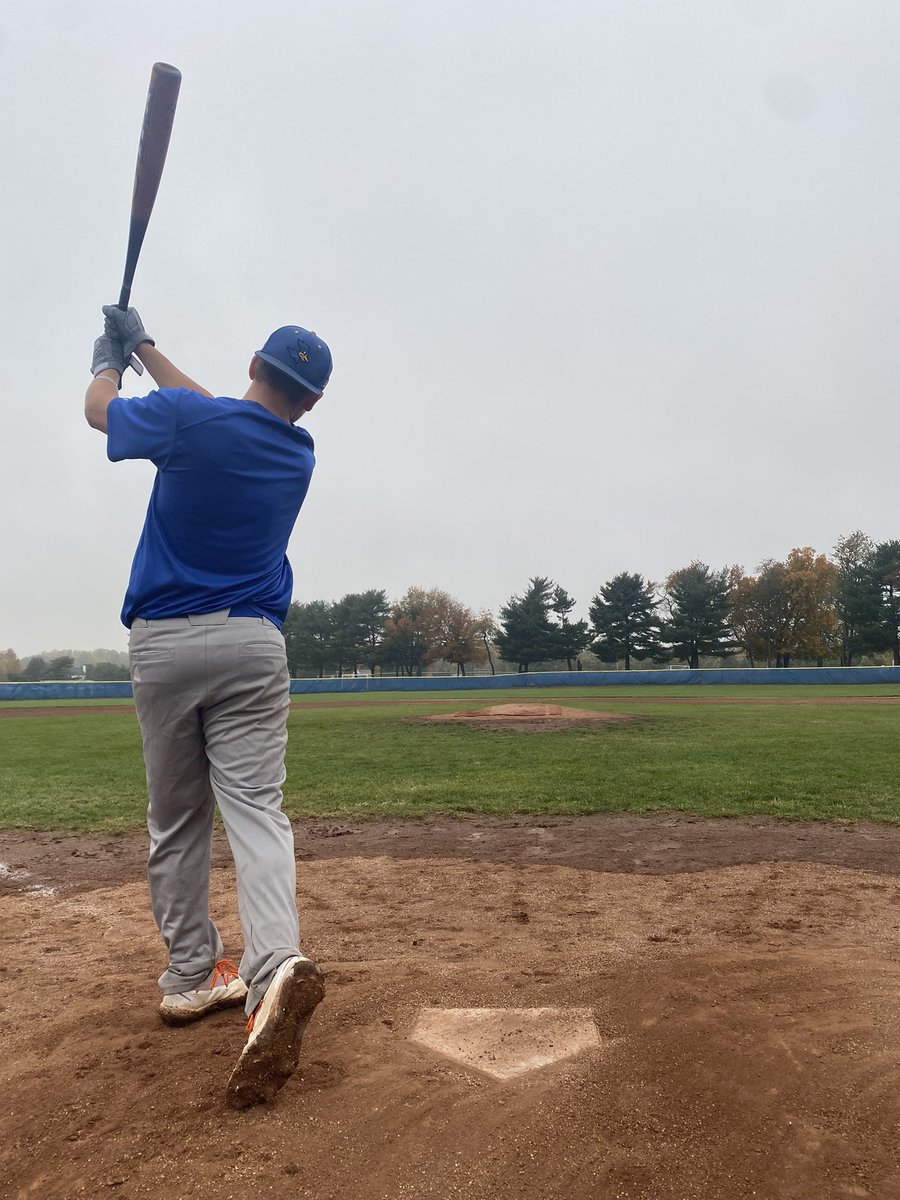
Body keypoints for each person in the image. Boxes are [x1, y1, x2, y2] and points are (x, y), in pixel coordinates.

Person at [85, 306, 332, 1110]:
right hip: (252, 644)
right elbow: (214, 412)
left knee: (176, 819)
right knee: (256, 810)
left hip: (162, 644)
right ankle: (274, 969)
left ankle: (192, 974)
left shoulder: (191, 422)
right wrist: (146, 347)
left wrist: (109, 361)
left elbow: (99, 413)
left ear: (253, 364)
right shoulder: (297, 452)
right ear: (311, 401)